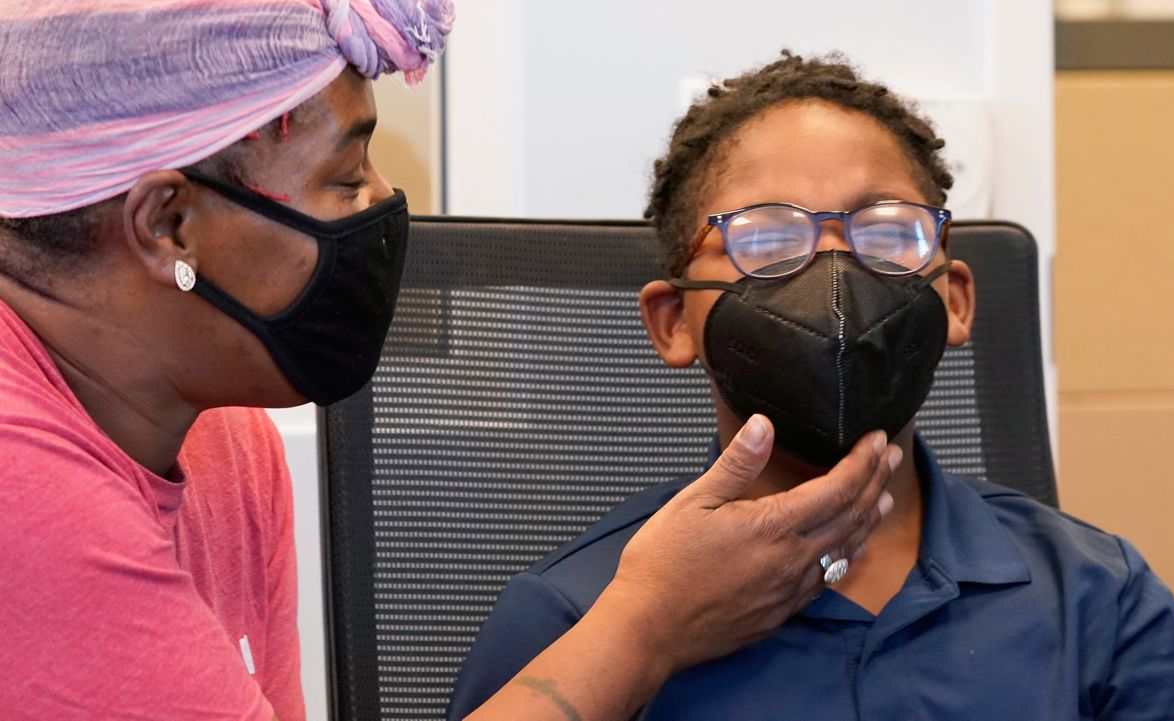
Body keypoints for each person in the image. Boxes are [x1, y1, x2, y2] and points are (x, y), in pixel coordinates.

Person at [0, 6, 898, 720]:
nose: (388, 204)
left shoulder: (224, 442)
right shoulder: (21, 494)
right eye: (346, 178)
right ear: (167, 225)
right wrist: (649, 624)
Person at [448, 51, 1174, 720]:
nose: (834, 272)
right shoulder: (578, 618)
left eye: (885, 229)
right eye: (766, 236)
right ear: (671, 321)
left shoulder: (1100, 599)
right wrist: (643, 632)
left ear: (954, 299)